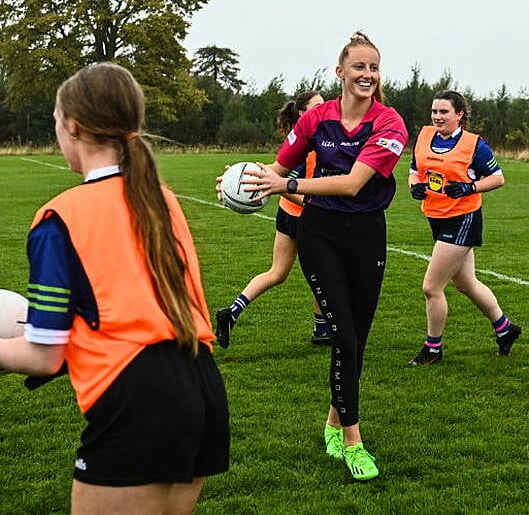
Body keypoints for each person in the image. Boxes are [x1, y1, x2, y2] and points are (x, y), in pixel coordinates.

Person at [0, 63, 229, 513]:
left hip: (137, 400)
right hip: (201, 384)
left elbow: (45, 357)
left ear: (72, 126)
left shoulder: (60, 217)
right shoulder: (160, 199)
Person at [227, 31, 407, 482]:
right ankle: (353, 440)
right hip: (319, 234)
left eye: (374, 68)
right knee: (343, 338)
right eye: (359, 66)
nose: (367, 75)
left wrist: (285, 186)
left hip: (367, 235)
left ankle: (332, 420)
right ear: (340, 71)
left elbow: (351, 183)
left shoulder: (390, 124)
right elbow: (278, 168)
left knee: (356, 342)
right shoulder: (315, 121)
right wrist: (240, 181)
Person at [407, 90, 521, 366]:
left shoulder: (474, 145)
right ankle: (505, 329)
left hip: (463, 219)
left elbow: (498, 178)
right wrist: (414, 187)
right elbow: (413, 169)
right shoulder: (424, 137)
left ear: (459, 115)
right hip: (436, 216)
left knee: (431, 287)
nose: (437, 117)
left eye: (444, 112)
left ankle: (433, 349)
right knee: (466, 283)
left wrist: (469, 187)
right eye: (434, 111)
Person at [214, 91, 332, 349]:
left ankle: (232, 312)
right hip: (306, 215)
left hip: (286, 213)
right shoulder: (312, 143)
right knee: (322, 275)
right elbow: (294, 183)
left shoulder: (299, 139)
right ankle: (322, 330)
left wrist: (241, 174)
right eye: (318, 105)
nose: (326, 108)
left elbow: (274, 169)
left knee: (277, 272)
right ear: (303, 113)